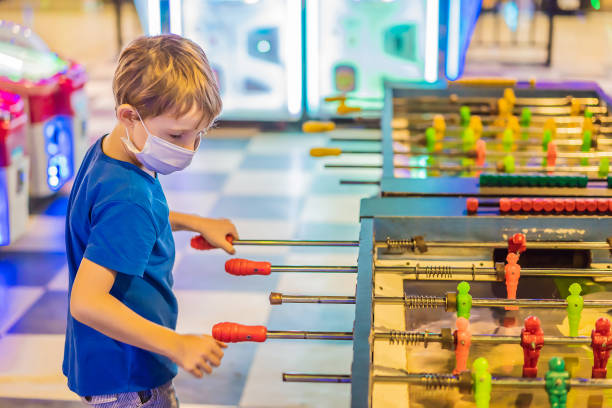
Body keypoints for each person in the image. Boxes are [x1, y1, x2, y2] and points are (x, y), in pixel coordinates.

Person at [64, 34, 238, 407]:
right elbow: (86, 301)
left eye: (199, 135)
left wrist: (193, 221)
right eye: (176, 135)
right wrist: (175, 344)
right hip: (130, 376)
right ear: (129, 115)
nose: (188, 149)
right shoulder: (130, 198)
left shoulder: (110, 152)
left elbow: (116, 228)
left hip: (106, 362)